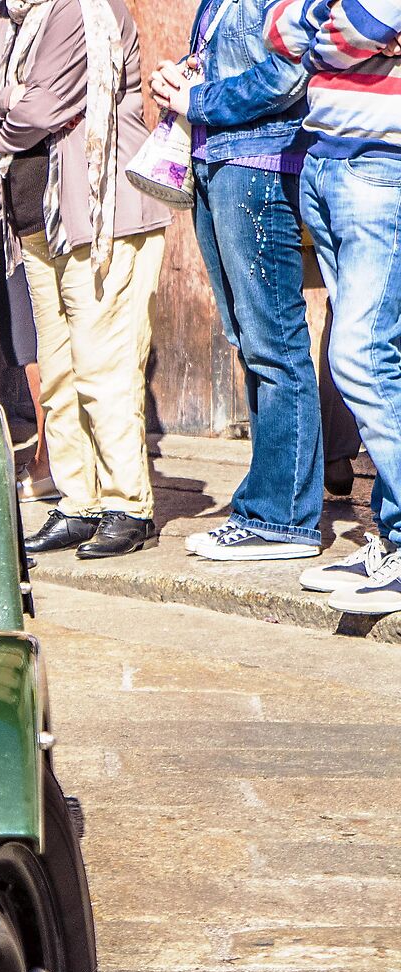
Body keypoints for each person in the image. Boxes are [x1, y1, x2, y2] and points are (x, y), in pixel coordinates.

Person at [0, 0, 171, 561]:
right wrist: (8, 101)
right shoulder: (3, 16)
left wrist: (0, 98)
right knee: (55, 372)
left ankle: (128, 504)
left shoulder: (82, 11)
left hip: (101, 215)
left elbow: (43, 109)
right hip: (35, 218)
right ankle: (80, 501)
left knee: (104, 364)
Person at [150, 0, 317, 562]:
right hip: (219, 160)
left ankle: (284, 517)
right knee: (251, 343)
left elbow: (289, 72)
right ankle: (268, 508)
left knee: (274, 345)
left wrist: (198, 100)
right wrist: (181, 72)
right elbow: (233, 59)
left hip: (259, 163)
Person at [268, 0, 401, 612]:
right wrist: (336, 28)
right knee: (374, 365)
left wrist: (336, 33)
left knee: (362, 359)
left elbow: (361, 29)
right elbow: (276, 29)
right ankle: (391, 538)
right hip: (325, 160)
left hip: (381, 163)